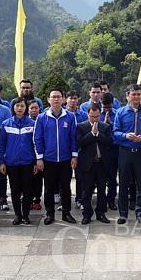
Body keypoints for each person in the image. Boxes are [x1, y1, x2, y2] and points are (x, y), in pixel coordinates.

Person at [34, 88, 79, 225]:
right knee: (48, 188)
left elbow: (74, 137)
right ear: (48, 99)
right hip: (48, 159)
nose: (56, 99)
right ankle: (50, 213)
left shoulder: (70, 117)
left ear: (63, 99)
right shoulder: (42, 117)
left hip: (65, 158)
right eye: (53, 97)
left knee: (66, 187)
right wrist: (39, 158)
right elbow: (38, 138)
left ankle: (66, 213)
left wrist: (74, 155)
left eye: (59, 97)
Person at [113, 84, 141, 224]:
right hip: (125, 152)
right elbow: (115, 132)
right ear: (127, 96)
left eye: (138, 94)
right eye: (134, 94)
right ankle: (123, 214)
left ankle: (140, 213)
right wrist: (126, 136)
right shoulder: (120, 112)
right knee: (124, 184)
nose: (136, 97)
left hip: (140, 153)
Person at [0, 97, 36, 225]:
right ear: (13, 108)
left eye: (22, 106)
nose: (20, 108)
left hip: (28, 162)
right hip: (11, 162)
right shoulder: (6, 124)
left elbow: (36, 144)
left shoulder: (32, 124)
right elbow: (1, 145)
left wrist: (36, 161)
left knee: (27, 189)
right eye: (17, 106)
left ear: (26, 108)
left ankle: (26, 215)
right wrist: (1, 162)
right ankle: (17, 215)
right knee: (14, 190)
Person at [77, 103, 113, 224]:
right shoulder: (81, 127)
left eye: (97, 116)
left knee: (102, 190)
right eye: (92, 116)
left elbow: (109, 142)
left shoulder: (105, 127)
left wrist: (98, 134)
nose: (95, 119)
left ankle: (101, 213)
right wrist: (92, 134)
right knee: (86, 190)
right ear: (88, 115)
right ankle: (87, 214)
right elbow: (80, 142)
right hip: (88, 163)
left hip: (101, 163)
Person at [28, 100, 44, 210]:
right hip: (27, 156)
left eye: (36, 108)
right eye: (32, 108)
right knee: (27, 180)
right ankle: (28, 200)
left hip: (39, 155)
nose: (34, 110)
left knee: (38, 180)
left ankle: (37, 200)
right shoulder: (26, 122)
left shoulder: (42, 120)